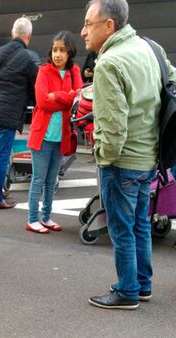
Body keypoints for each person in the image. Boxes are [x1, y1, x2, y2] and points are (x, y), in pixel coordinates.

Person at [81, 0, 176, 310]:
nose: (83, 32)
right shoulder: (151, 48)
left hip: (122, 162)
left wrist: (103, 158)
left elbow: (112, 125)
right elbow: (172, 80)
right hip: (150, 156)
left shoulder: (109, 63)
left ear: (109, 26)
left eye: (89, 24)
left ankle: (127, 292)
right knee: (140, 224)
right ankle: (142, 285)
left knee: (121, 229)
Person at [26, 31, 82, 234]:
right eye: (55, 49)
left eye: (63, 50)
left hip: (62, 136)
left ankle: (46, 217)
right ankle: (32, 219)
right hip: (43, 135)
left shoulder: (74, 71)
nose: (58, 54)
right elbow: (41, 101)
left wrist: (56, 96)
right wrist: (64, 97)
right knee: (38, 180)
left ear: (70, 52)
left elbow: (77, 97)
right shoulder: (44, 71)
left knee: (52, 181)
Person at [0, 17, 38, 209]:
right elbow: (35, 88)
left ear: (13, 33)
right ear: (28, 36)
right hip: (9, 111)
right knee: (2, 155)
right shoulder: (29, 57)